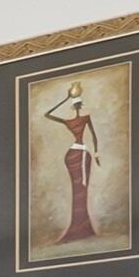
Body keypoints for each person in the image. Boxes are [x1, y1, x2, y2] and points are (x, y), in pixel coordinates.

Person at [41, 82, 102, 243]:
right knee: (80, 189)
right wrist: (96, 153)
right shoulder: (83, 119)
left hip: (75, 154)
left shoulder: (72, 121)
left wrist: (66, 98)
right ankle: (80, 229)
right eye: (77, 106)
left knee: (80, 190)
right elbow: (94, 136)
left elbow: (48, 114)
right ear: (80, 106)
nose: (77, 109)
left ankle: (82, 227)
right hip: (79, 155)